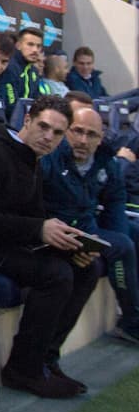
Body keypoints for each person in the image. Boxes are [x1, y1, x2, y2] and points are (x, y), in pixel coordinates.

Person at [0, 95, 94, 398]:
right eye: (43, 126)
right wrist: (39, 229)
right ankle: (23, 370)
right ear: (27, 120)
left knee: (85, 268)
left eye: (57, 132)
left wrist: (69, 244)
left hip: (11, 246)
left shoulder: (31, 159)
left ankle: (45, 359)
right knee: (56, 275)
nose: (48, 136)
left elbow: (32, 216)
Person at [40, 105, 139, 344]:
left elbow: (115, 199)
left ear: (100, 138)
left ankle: (132, 320)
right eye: (77, 131)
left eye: (91, 134)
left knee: (123, 241)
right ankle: (132, 322)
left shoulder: (105, 161)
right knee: (108, 255)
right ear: (67, 131)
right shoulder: (51, 158)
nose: (83, 140)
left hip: (86, 230)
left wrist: (108, 241)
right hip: (52, 232)